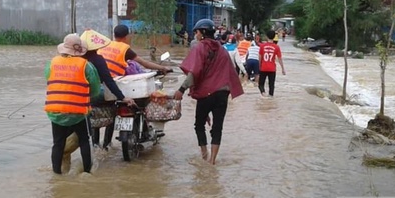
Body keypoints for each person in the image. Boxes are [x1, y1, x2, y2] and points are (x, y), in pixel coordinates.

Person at [173, 18, 244, 165]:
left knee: (199, 125)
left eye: (197, 32)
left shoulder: (200, 48)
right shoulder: (222, 50)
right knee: (217, 127)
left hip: (206, 94)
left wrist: (181, 89)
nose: (196, 35)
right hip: (222, 94)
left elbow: (194, 72)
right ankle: (212, 160)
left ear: (203, 33)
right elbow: (230, 73)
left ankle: (204, 154)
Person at [96, 24, 172, 148]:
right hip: (116, 86)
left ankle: (100, 145)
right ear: (127, 36)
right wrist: (163, 68)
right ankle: (107, 144)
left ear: (114, 35)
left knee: (110, 112)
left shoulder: (104, 46)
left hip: (101, 86)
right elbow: (144, 63)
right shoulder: (125, 49)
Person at [45, 33, 101, 174]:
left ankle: (56, 174)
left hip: (55, 111)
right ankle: (87, 172)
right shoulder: (86, 65)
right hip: (78, 112)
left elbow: (49, 80)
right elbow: (95, 90)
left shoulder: (52, 63)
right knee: (84, 140)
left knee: (58, 143)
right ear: (80, 50)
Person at [79, 29, 135, 150]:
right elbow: (109, 81)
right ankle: (107, 144)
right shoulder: (98, 59)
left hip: (83, 98)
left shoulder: (78, 60)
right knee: (114, 106)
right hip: (98, 95)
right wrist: (122, 97)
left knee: (92, 115)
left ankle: (95, 144)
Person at [258, 29, 286, 98]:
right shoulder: (276, 47)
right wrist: (283, 69)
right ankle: (270, 98)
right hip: (272, 69)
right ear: (274, 37)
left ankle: (263, 94)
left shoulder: (262, 46)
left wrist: (259, 67)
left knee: (261, 84)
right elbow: (279, 58)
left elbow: (260, 58)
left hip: (263, 68)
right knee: (271, 85)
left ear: (267, 37)